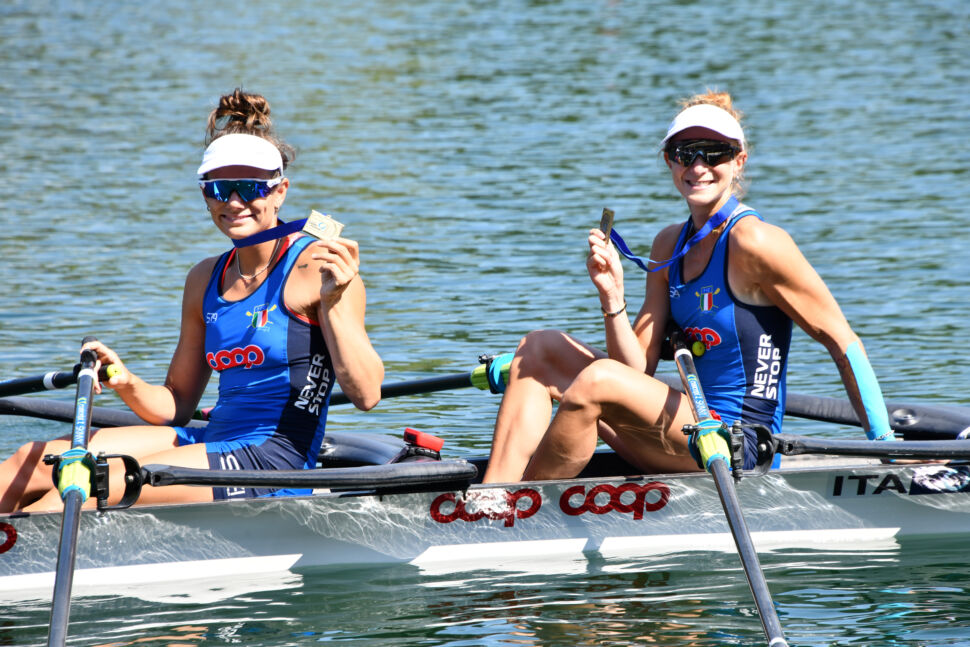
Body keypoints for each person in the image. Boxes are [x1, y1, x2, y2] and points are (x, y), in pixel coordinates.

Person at [482, 90, 896, 483]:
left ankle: (519, 514)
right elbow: (635, 370)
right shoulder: (668, 245)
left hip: (737, 445)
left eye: (715, 154)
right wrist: (612, 297)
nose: (698, 167)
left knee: (598, 380)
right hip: (685, 430)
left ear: (739, 161)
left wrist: (888, 449)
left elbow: (843, 344)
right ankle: (492, 497)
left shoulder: (756, 242)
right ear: (669, 161)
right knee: (538, 349)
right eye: (686, 154)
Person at [0, 89, 384, 512]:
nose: (234, 201)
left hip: (273, 458)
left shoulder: (320, 269)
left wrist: (335, 301)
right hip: (214, 439)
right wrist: (126, 381)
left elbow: (366, 394)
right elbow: (176, 406)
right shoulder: (204, 278)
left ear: (280, 192)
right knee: (30, 462)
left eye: (250, 187)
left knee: (89, 485)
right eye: (219, 188)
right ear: (205, 195)